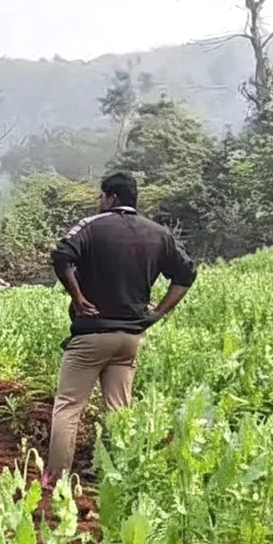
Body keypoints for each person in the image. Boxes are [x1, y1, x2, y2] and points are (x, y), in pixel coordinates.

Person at [43, 172, 197, 486]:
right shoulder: (159, 233)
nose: (99, 202)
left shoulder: (91, 226)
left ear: (110, 197)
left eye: (101, 197)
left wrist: (79, 297)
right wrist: (159, 313)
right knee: (118, 408)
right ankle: (115, 476)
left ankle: (56, 479)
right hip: (130, 338)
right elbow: (186, 275)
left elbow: (61, 256)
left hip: (91, 334)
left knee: (69, 406)